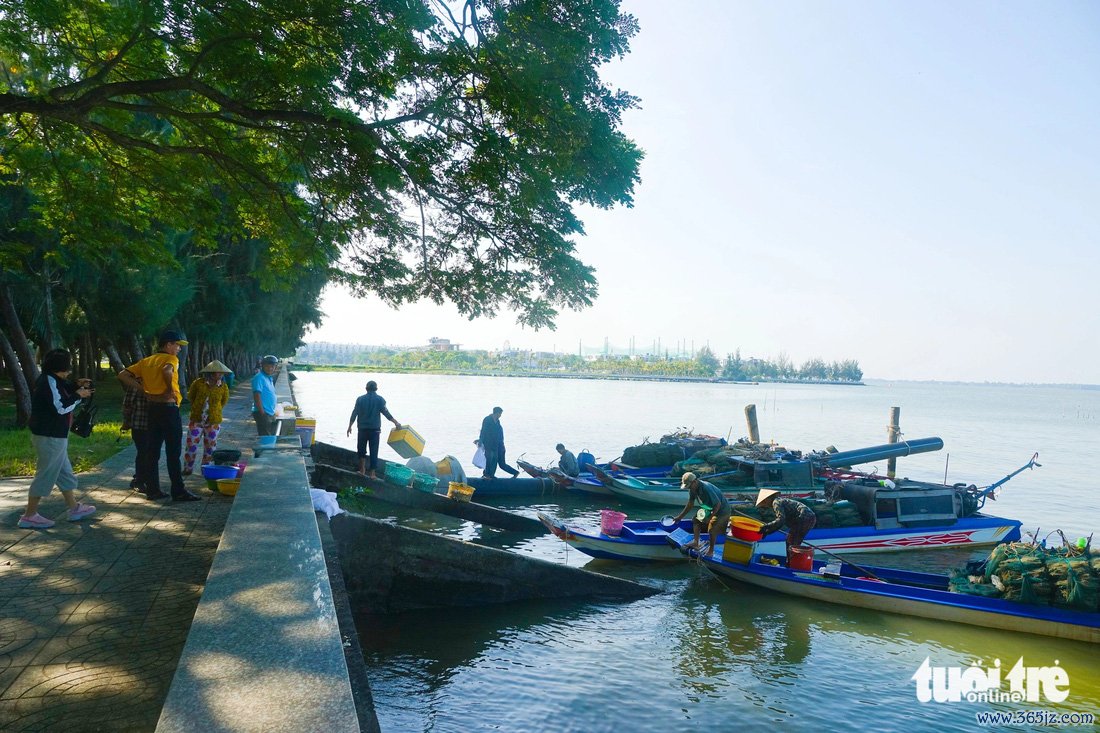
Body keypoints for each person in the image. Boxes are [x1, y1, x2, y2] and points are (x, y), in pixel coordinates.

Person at [118, 330, 201, 502]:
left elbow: (123, 375)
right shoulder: (171, 359)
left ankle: (153, 490)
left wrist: (144, 390)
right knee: (173, 452)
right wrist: (169, 390)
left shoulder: (147, 361)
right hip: (169, 409)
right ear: (168, 344)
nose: (179, 349)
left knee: (152, 451)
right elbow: (167, 370)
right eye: (177, 345)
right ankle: (178, 490)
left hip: (152, 409)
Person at [18, 349, 97, 528]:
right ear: (59, 368)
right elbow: (59, 407)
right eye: (67, 368)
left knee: (64, 473)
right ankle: (29, 515)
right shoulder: (48, 382)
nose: (69, 371)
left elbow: (60, 390)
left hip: (53, 435)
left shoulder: (51, 379)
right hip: (50, 436)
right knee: (45, 474)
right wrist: (79, 395)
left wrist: (76, 385)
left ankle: (75, 508)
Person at [183, 360, 232, 475]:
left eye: (221, 373)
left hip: (213, 422)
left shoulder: (223, 387)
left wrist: (215, 411)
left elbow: (224, 401)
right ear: (210, 373)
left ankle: (206, 470)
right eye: (217, 372)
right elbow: (191, 396)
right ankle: (187, 469)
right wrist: (197, 407)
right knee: (191, 446)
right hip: (196, 420)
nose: (220, 375)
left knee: (210, 448)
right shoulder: (198, 383)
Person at [346, 380, 400, 479]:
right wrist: (396, 422)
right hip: (375, 430)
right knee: (374, 450)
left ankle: (362, 470)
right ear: (376, 389)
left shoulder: (360, 399)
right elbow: (386, 414)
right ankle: (372, 474)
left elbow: (354, 413)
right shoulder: (380, 400)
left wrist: (350, 426)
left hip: (362, 429)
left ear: (366, 388)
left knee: (361, 450)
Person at [670, 471, 731, 558]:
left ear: (695, 482)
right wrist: (680, 517)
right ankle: (696, 542)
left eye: (689, 486)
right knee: (696, 520)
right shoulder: (693, 489)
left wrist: (710, 517)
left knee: (712, 529)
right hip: (708, 508)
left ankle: (711, 550)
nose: (689, 488)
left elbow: (718, 504)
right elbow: (690, 504)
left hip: (722, 510)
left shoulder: (706, 488)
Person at [756, 488, 818, 564]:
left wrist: (766, 527)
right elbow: (780, 523)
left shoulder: (776, 502)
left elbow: (780, 520)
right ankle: (792, 562)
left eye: (765, 501)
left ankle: (792, 564)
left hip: (804, 517)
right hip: (808, 517)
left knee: (791, 542)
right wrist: (768, 532)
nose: (765, 504)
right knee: (792, 542)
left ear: (768, 499)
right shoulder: (780, 500)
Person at [121, 375, 152, 494]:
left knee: (151, 453)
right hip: (140, 424)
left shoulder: (158, 381)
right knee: (143, 452)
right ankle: (139, 480)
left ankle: (145, 477)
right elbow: (127, 405)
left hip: (155, 424)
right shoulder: (137, 383)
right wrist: (126, 421)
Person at [478, 406, 518, 479]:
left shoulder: (497, 421)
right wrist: (480, 440)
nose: (500, 415)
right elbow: (483, 431)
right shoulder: (487, 420)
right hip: (488, 444)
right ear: (496, 413)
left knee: (494, 460)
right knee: (489, 459)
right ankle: (487, 474)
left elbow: (499, 434)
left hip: (496, 445)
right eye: (500, 414)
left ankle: (491, 475)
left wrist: (501, 444)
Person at [252, 355, 279, 436]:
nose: (270, 368)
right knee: (265, 438)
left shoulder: (269, 378)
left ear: (275, 367)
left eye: (272, 366)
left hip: (270, 413)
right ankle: (265, 449)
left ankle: (268, 448)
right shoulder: (259, 377)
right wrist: (262, 413)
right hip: (264, 414)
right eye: (267, 366)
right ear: (262, 366)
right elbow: (257, 395)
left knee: (270, 437)